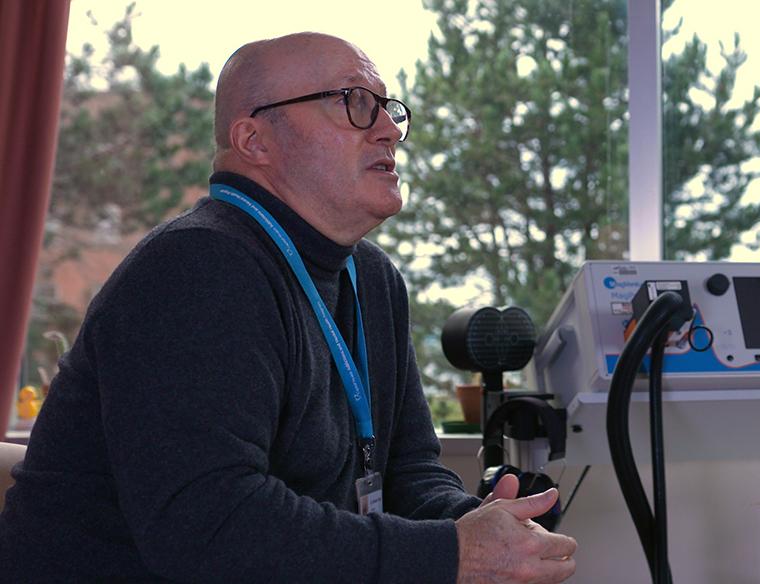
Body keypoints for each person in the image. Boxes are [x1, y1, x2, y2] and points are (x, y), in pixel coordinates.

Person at [0, 32, 577, 583]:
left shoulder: (373, 279)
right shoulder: (196, 268)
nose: (388, 131)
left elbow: (407, 473)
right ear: (255, 141)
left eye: (387, 108)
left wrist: (477, 522)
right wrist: (449, 554)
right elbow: (210, 527)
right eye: (354, 102)